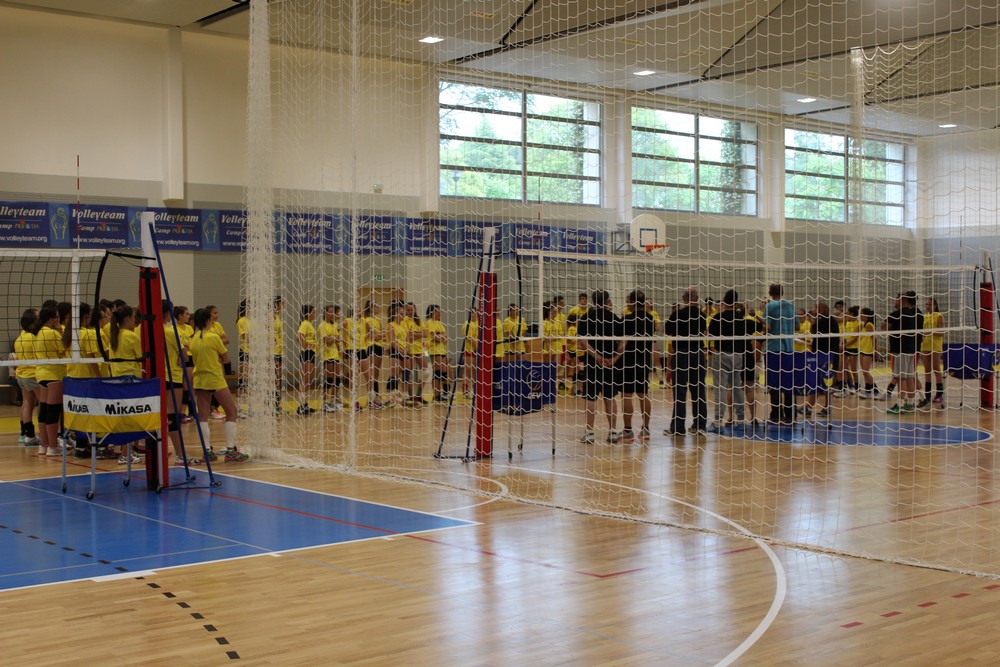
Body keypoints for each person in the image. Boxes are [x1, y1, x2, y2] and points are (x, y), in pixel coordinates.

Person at [189, 308, 247, 461]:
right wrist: (218, 360)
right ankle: (230, 450)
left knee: (202, 415)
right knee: (231, 411)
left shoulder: (193, 339)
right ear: (208, 320)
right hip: (215, 378)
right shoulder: (214, 337)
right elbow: (226, 358)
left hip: (199, 379)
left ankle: (207, 451)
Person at [576, 289, 623, 444]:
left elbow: (583, 342)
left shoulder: (585, 318)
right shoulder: (615, 318)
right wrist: (614, 358)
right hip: (610, 364)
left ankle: (589, 432)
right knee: (610, 397)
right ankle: (613, 432)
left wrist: (597, 357)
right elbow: (623, 342)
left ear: (593, 301)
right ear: (607, 301)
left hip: (592, 363)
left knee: (591, 397)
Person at [664, 287, 707, 435]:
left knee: (680, 392)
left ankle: (678, 428)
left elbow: (667, 330)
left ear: (684, 299)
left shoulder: (677, 315)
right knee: (699, 391)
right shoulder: (702, 316)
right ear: (697, 298)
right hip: (698, 354)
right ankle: (700, 426)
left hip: (682, 354)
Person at [707, 289, 751, 429]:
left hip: (722, 354)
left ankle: (718, 420)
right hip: (738, 356)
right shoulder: (741, 319)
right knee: (736, 387)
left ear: (724, 301)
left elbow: (710, 334)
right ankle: (741, 419)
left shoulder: (718, 317)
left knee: (720, 388)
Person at [620, 290, 655, 443]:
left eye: (629, 300)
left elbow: (622, 342)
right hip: (644, 360)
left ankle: (628, 430)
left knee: (627, 394)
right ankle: (645, 428)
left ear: (633, 302)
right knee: (643, 394)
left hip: (628, 361)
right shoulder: (650, 319)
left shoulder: (626, 320)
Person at [763, 283, 798, 424]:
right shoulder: (790, 306)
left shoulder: (769, 306)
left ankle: (776, 415)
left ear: (770, 293)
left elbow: (767, 327)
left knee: (774, 383)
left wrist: (759, 319)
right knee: (789, 383)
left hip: (774, 349)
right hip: (789, 349)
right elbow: (797, 326)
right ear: (782, 292)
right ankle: (791, 415)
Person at [886, 291, 922, 415]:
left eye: (898, 299)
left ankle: (900, 405)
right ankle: (910, 404)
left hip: (900, 349)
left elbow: (884, 326)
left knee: (902, 377)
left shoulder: (897, 314)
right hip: (913, 349)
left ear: (903, 300)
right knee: (910, 376)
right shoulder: (915, 314)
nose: (896, 301)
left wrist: (892, 327)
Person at [807, 300, 840, 418]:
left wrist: (813, 319)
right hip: (830, 356)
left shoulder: (823, 321)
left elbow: (813, 330)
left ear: (820, 310)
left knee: (819, 383)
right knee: (825, 384)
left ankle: (809, 408)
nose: (813, 310)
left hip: (824, 357)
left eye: (815, 308)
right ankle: (824, 407)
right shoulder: (831, 320)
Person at [13, 309, 41, 449]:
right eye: (38, 318)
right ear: (31, 323)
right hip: (33, 374)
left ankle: (26, 434)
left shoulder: (20, 337)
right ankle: (44, 434)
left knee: (27, 403)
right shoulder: (34, 337)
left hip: (22, 375)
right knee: (43, 404)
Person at [318, 305, 347, 412]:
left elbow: (336, 339)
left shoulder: (334, 325)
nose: (332, 314)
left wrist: (341, 350)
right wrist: (334, 338)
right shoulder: (322, 325)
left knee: (338, 379)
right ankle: (324, 403)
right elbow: (327, 341)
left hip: (336, 355)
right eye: (330, 312)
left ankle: (333, 401)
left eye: (333, 312)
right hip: (327, 355)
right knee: (329, 379)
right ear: (325, 313)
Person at [919, 298, 945, 407]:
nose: (928, 306)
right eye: (927, 304)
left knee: (936, 368)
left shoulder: (939, 316)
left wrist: (931, 332)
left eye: (930, 304)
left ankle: (939, 394)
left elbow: (942, 333)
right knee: (927, 370)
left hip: (935, 346)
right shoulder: (924, 317)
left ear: (935, 305)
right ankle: (928, 395)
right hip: (925, 345)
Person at [425, 304, 451, 401]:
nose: (440, 313)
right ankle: (436, 395)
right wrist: (440, 337)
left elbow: (445, 336)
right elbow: (435, 336)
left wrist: (442, 336)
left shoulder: (439, 323)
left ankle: (445, 393)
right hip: (434, 350)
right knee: (437, 372)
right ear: (432, 312)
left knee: (444, 372)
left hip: (442, 350)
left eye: (440, 311)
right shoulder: (429, 322)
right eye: (437, 311)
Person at [295, 304, 317, 415]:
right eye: (313, 312)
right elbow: (298, 336)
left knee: (308, 380)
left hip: (311, 353)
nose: (315, 314)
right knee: (305, 380)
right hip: (307, 353)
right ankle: (301, 406)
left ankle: (305, 404)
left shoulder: (309, 324)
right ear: (308, 313)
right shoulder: (305, 323)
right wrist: (305, 346)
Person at [858, 307, 879, 398]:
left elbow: (874, 339)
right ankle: (867, 392)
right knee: (864, 372)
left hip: (868, 351)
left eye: (862, 313)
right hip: (862, 350)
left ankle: (876, 390)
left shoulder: (869, 325)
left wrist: (875, 351)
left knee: (866, 372)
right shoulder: (863, 325)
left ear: (866, 316)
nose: (860, 315)